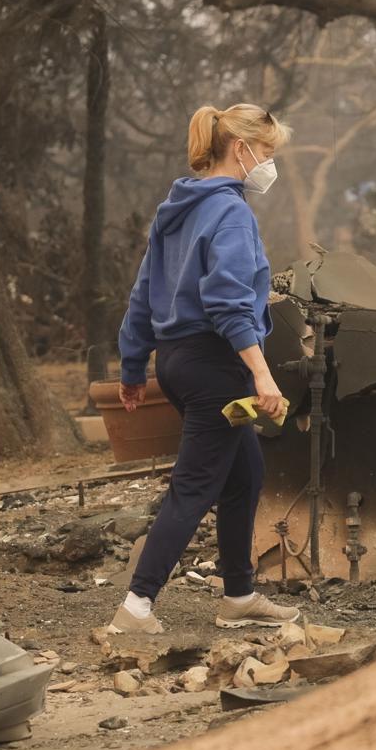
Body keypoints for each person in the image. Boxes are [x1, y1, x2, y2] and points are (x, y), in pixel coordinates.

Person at [109, 103, 302, 635]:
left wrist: (131, 365)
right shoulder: (231, 212)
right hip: (216, 365)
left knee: (245, 475)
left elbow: (144, 294)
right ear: (240, 149)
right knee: (194, 487)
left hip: (175, 360)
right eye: (265, 152)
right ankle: (136, 607)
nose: (268, 164)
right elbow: (228, 303)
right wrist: (261, 374)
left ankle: (238, 596)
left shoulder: (176, 208)